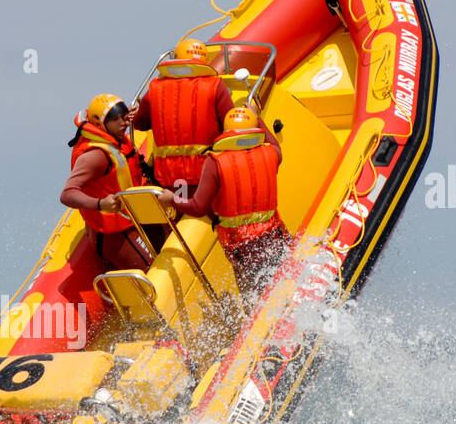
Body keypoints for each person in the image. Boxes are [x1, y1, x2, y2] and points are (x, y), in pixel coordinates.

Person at [159, 106, 287, 293]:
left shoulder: (215, 162)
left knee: (253, 297)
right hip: (273, 238)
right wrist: (257, 117)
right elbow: (273, 143)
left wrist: (172, 199)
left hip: (242, 248)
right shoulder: (272, 154)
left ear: (226, 132)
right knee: (283, 284)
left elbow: (197, 207)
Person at [60, 93, 158, 270]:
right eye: (116, 119)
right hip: (114, 235)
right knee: (155, 268)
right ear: (100, 124)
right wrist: (100, 204)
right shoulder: (96, 156)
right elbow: (67, 194)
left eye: (124, 116)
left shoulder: (115, 137)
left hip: (134, 218)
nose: (124, 123)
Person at [131, 39, 235, 197]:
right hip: (205, 175)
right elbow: (232, 126)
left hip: (167, 177)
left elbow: (140, 123)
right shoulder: (215, 85)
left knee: (173, 218)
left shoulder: (155, 87)